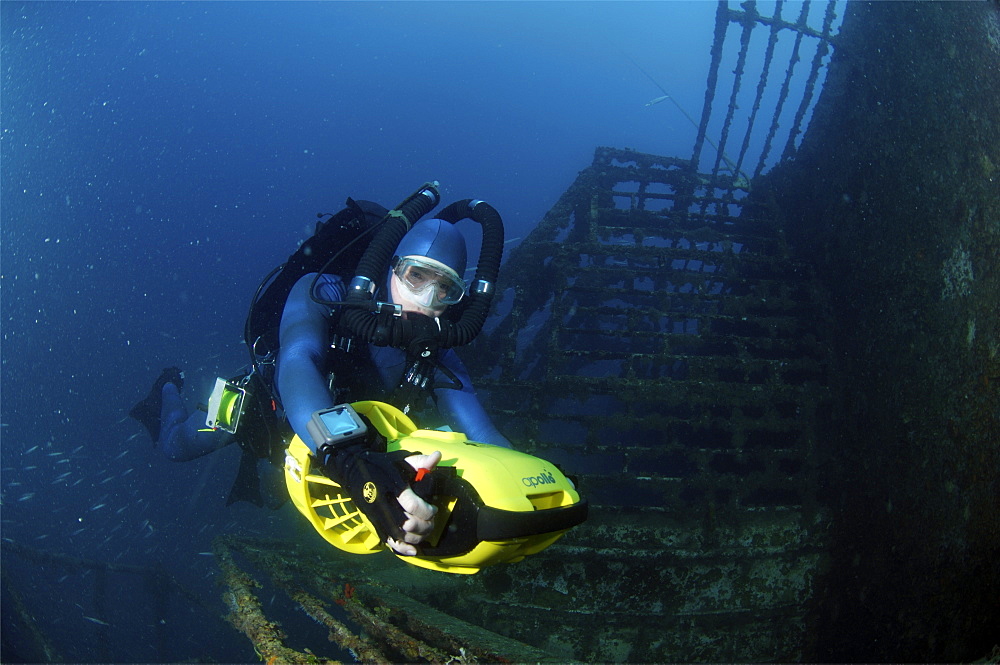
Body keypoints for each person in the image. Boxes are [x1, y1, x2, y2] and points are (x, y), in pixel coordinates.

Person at [130, 195, 511, 556]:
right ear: (392, 265)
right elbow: (298, 360)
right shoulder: (326, 290)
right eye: (417, 277)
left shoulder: (436, 344)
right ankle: (166, 388)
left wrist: (520, 477)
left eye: (445, 289)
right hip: (261, 405)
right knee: (176, 446)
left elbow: (480, 429)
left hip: (330, 447)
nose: (428, 300)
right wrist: (347, 457)